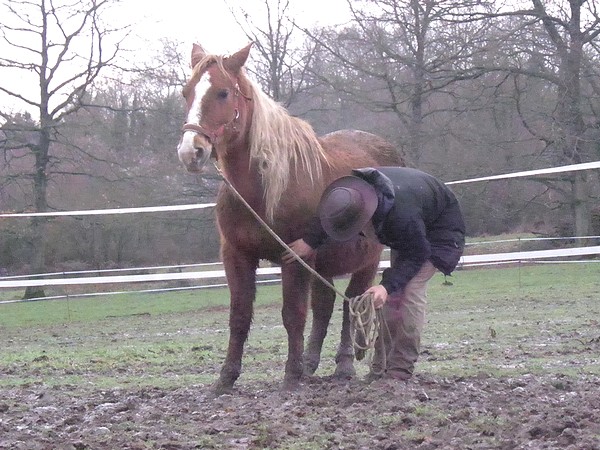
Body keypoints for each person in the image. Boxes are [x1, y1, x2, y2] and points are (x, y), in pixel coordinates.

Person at [282, 167, 466, 382]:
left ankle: (400, 368)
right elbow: (331, 216)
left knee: (408, 293)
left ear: (367, 217)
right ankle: (380, 367)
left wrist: (386, 286)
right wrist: (310, 241)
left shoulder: (401, 217)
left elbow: (417, 252)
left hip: (437, 236)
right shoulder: (350, 194)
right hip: (410, 231)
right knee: (389, 301)